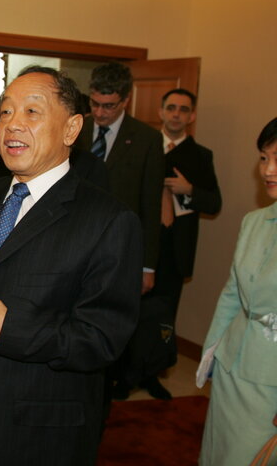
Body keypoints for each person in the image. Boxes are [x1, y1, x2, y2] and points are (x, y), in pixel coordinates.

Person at [0, 66, 141, 465]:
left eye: (31, 112)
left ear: (71, 129)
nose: (12, 125)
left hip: (36, 434)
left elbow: (102, 340)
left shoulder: (108, 220)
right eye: (6, 112)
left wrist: (11, 331)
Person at [122, 88, 221, 400]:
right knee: (129, 312)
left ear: (191, 117)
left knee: (162, 317)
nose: (177, 113)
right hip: (137, 245)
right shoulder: (141, 145)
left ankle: (151, 375)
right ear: (162, 112)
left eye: (184, 109)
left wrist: (188, 188)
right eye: (171, 108)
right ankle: (123, 374)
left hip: (174, 250)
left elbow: (214, 202)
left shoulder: (201, 155)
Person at [73, 62, 164, 400]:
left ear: (125, 100)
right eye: (94, 103)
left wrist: (147, 265)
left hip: (123, 248)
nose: (99, 112)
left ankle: (114, 387)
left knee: (113, 320)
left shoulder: (147, 140)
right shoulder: (76, 129)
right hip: (78, 244)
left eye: (108, 105)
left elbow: (151, 205)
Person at [197, 117, 277, 466]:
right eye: (263, 157)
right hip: (232, 367)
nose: (268, 170)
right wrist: (212, 352)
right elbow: (233, 292)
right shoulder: (254, 221)